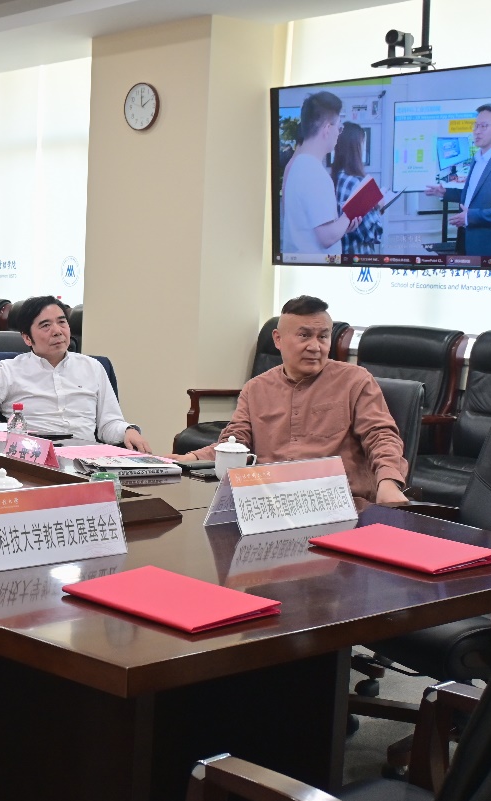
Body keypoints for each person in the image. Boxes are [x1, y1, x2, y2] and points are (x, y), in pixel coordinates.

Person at [172, 295, 408, 506]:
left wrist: (388, 483)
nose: (315, 347)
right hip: (269, 502)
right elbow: (235, 442)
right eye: (304, 335)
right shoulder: (256, 389)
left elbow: (381, 436)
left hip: (340, 504)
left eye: (323, 337)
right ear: (278, 339)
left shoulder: (355, 381)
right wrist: (189, 459)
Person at [0, 296, 150, 451]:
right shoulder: (10, 370)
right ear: (27, 338)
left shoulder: (93, 367)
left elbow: (109, 424)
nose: (57, 331)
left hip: (86, 459)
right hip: (34, 458)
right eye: (45, 326)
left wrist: (128, 430)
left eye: (62, 322)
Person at [424, 103, 491, 257]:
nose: (477, 131)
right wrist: (445, 193)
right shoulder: (477, 158)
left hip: (490, 247)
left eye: (483, 126)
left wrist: (470, 216)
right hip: (466, 240)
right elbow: (474, 195)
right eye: (476, 126)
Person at [281, 92, 359, 257]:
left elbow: (308, 229)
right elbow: (326, 237)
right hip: (317, 268)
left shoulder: (296, 165)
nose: (338, 133)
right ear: (327, 129)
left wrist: (342, 226)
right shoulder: (315, 173)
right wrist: (349, 215)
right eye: (339, 127)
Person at [333, 122, 383, 255]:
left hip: (340, 254)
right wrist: (379, 207)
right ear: (356, 148)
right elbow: (374, 234)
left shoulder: (334, 178)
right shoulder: (357, 184)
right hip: (358, 256)